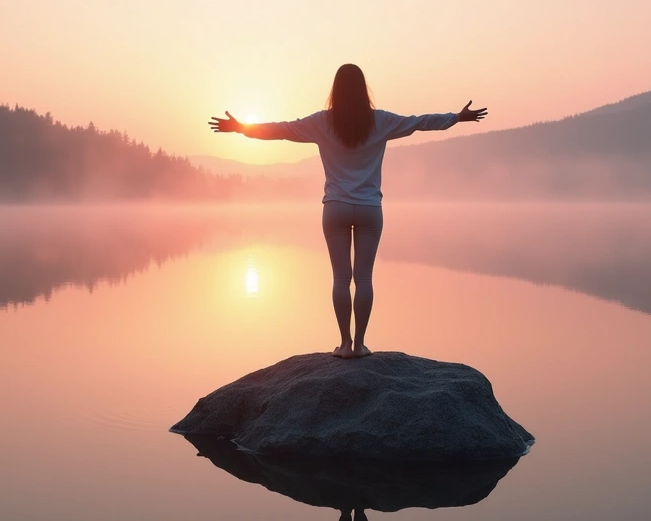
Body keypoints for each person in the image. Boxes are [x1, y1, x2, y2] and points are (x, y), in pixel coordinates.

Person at [209, 64, 487, 359]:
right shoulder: (380, 121)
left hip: (336, 208)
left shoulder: (321, 122)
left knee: (341, 279)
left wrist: (242, 128)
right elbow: (419, 122)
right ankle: (360, 344)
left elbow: (280, 130)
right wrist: (456, 118)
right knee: (364, 279)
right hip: (369, 208)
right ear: (363, 89)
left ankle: (343, 344)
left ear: (335, 90)